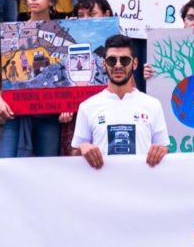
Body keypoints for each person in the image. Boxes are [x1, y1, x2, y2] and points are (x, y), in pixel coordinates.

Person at [0, 0, 66, 158]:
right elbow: (7, 75)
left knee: (47, 168)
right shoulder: (12, 33)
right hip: (16, 113)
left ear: (52, 0)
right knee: (6, 164)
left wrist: (69, 105)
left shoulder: (62, 33)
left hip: (50, 114)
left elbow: (67, 75)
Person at [72, 34, 169, 168]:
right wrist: (83, 147)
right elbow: (75, 154)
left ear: (135, 64)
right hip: (102, 181)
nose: (118, 65)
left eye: (124, 60)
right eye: (112, 60)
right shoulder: (87, 107)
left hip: (142, 180)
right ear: (104, 64)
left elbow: (164, 148)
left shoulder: (153, 105)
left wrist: (162, 150)